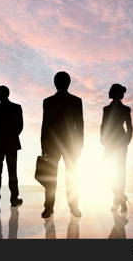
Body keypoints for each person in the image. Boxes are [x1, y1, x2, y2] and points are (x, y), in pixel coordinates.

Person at [40, 71, 84, 218]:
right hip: (63, 144)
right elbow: (45, 125)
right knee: (65, 176)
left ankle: (57, 207)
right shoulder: (52, 101)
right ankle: (64, 207)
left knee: (60, 177)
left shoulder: (52, 101)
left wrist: (79, 145)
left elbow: (79, 126)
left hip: (61, 144)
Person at [0, 85, 24, 208]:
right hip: (11, 143)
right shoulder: (16, 108)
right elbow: (19, 126)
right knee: (12, 172)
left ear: (2, 94)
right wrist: (10, 136)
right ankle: (13, 198)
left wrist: (0, 136)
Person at [100, 84, 133, 212]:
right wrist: (102, 138)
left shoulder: (126, 109)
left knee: (120, 171)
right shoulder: (106, 109)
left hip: (120, 141)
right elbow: (103, 125)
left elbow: (130, 128)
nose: (123, 95)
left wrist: (127, 141)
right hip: (109, 142)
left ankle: (117, 202)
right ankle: (121, 198)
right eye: (121, 93)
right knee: (107, 170)